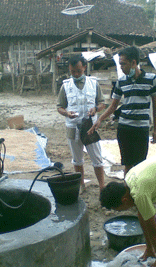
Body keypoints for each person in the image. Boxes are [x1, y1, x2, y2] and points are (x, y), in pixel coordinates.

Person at [88, 46, 156, 176]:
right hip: (124, 129)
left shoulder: (151, 79)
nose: (121, 67)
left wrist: (155, 129)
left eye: (123, 64)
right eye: (120, 64)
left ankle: (136, 194)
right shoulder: (121, 82)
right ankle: (127, 193)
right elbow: (113, 106)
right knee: (127, 164)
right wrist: (100, 119)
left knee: (140, 165)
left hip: (141, 129)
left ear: (134, 62)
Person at [57, 54, 106, 191]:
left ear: (84, 67)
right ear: (69, 70)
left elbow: (102, 103)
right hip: (73, 127)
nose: (76, 74)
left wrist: (96, 109)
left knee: (97, 158)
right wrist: (66, 113)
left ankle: (102, 186)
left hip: (90, 127)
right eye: (73, 72)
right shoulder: (65, 86)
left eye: (79, 71)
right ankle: (81, 185)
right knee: (77, 159)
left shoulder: (93, 83)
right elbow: (59, 107)